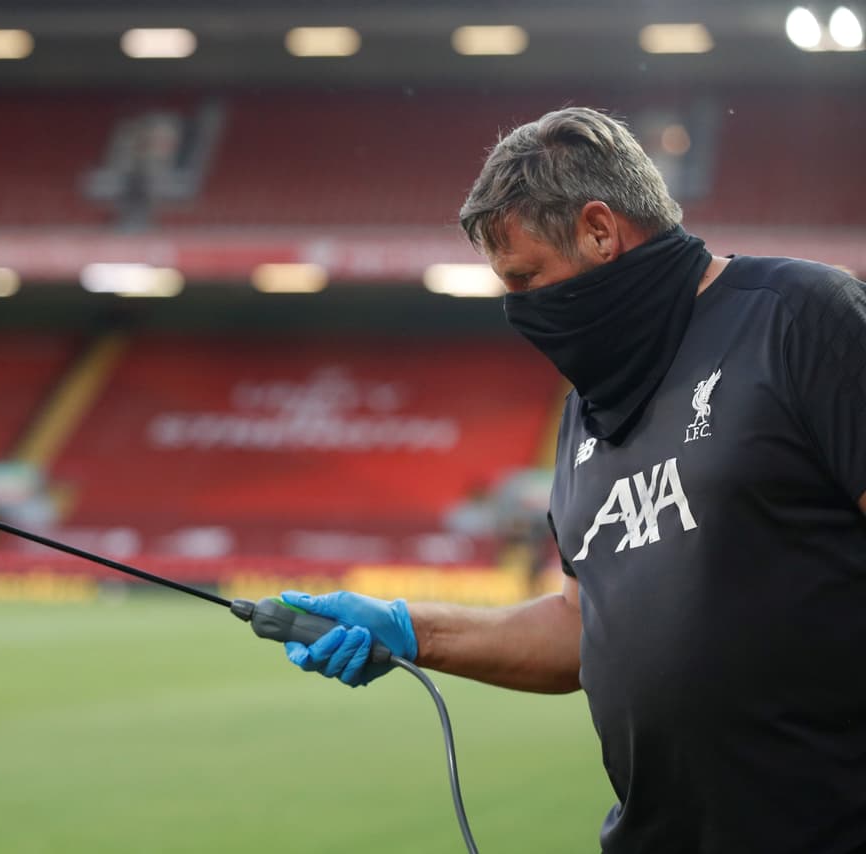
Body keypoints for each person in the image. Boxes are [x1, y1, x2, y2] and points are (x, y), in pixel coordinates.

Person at [281, 106, 866, 853]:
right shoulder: (587, 413)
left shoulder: (800, 319)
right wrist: (407, 629)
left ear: (599, 230)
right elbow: (581, 627)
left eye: (526, 277)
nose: (519, 309)